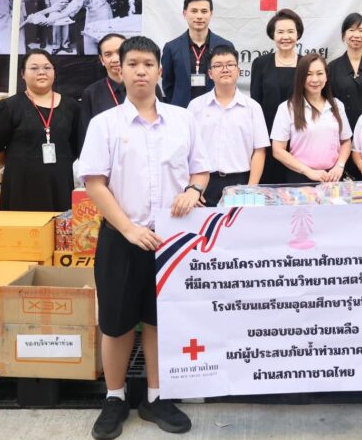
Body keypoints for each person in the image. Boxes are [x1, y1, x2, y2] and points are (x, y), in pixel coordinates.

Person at [79, 36, 207, 439]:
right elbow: (94, 183)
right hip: (122, 237)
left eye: (148, 64)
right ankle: (115, 398)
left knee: (159, 320)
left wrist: (194, 190)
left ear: (159, 71)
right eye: (132, 63)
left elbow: (201, 169)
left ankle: (156, 396)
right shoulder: (105, 124)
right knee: (116, 324)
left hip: (170, 241)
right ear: (119, 70)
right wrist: (129, 229)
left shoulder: (183, 120)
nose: (140, 71)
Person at [0, 49, 82, 212]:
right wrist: (16, 162)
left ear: (54, 72)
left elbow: (78, 146)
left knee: (58, 224)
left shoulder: (72, 107)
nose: (41, 72)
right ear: (23, 74)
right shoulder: (8, 107)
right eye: (34, 68)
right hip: (20, 186)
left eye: (47, 68)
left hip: (59, 185)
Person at [187, 45, 270, 206]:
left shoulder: (252, 107)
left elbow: (259, 151)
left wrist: (250, 189)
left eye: (230, 64)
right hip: (203, 183)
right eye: (218, 65)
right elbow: (187, 150)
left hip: (241, 182)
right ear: (210, 73)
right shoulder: (195, 106)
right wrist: (192, 188)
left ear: (238, 70)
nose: (225, 69)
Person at [270, 53, 353, 184]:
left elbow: (346, 141)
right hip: (300, 178)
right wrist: (308, 171)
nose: (315, 79)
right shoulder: (287, 108)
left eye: (319, 73)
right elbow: (278, 150)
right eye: (308, 74)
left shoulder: (337, 105)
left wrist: (339, 166)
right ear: (300, 77)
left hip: (332, 178)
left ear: (326, 76)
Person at [250, 8, 303, 184]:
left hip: (299, 140)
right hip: (267, 137)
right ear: (273, 35)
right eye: (280, 32)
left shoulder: (306, 64)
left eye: (290, 31)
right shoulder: (260, 64)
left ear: (298, 34)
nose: (285, 36)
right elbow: (255, 103)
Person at [161, 0, 235, 108]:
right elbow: (167, 84)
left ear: (211, 14)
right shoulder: (171, 47)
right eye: (194, 11)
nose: (199, 16)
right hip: (182, 110)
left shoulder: (225, 46)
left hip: (216, 109)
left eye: (204, 11)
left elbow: (230, 81)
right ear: (185, 13)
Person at [327, 12, 362, 131]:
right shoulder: (332, 67)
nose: (356, 35)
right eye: (351, 30)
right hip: (342, 128)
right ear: (343, 35)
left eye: (361, 30)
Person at [79, 33, 128, 146]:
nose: (115, 59)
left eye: (120, 52)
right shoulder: (91, 93)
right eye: (108, 54)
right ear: (102, 60)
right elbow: (86, 137)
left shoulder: (149, 88)